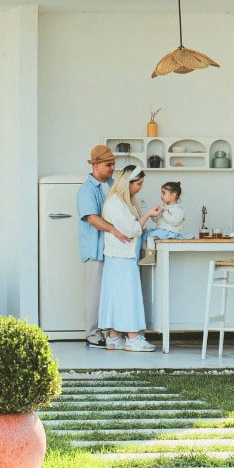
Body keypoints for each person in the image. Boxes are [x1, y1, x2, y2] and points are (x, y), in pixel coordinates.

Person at [98, 165, 163, 352]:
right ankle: (133, 338)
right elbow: (132, 229)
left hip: (118, 256)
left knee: (117, 296)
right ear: (129, 183)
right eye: (139, 183)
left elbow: (133, 227)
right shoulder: (116, 203)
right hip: (122, 256)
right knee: (128, 296)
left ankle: (114, 336)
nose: (140, 187)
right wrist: (148, 215)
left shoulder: (120, 202)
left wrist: (142, 220)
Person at [77, 145, 131, 349]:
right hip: (95, 248)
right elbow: (92, 218)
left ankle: (113, 332)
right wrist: (115, 230)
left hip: (113, 249)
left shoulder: (112, 184)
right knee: (95, 292)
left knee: (111, 291)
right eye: (109, 165)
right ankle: (92, 334)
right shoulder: (87, 190)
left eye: (114, 164)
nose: (112, 168)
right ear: (96, 165)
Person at [138, 181, 195, 266]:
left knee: (150, 237)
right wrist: (154, 215)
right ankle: (146, 254)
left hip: (169, 232)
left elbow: (174, 221)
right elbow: (159, 221)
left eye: (164, 193)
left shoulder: (179, 209)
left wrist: (164, 212)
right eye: (161, 193)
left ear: (173, 195)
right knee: (145, 234)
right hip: (162, 231)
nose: (161, 195)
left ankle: (150, 257)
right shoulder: (165, 207)